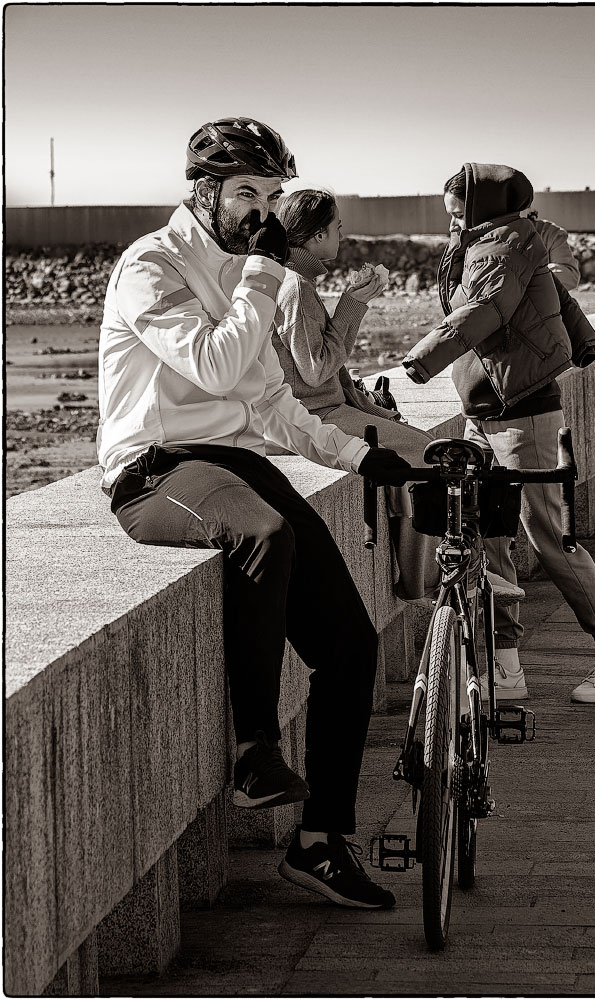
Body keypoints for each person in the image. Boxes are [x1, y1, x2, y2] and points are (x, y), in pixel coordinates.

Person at [97, 117, 411, 909]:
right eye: (245, 194)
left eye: (270, 195)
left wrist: (357, 455)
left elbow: (270, 401)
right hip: (154, 470)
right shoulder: (152, 264)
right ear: (203, 192)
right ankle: (253, 753)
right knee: (261, 533)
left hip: (235, 464)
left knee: (350, 645)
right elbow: (213, 363)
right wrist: (265, 274)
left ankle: (320, 844)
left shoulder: (248, 267)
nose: (260, 211)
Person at [402, 163, 595, 705]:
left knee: (549, 536)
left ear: (480, 205)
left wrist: (419, 361)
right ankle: (506, 667)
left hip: (523, 414)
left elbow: (481, 312)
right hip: (489, 411)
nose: (452, 222)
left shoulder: (502, 248)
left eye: (457, 211)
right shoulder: (493, 240)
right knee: (487, 538)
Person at [271, 188, 446, 601]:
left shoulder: (294, 280)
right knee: (428, 455)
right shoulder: (295, 287)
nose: (342, 237)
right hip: (317, 416)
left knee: (406, 451)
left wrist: (352, 304)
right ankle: (427, 582)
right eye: (338, 229)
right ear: (315, 237)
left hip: (323, 409)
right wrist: (352, 303)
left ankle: (419, 576)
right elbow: (316, 370)